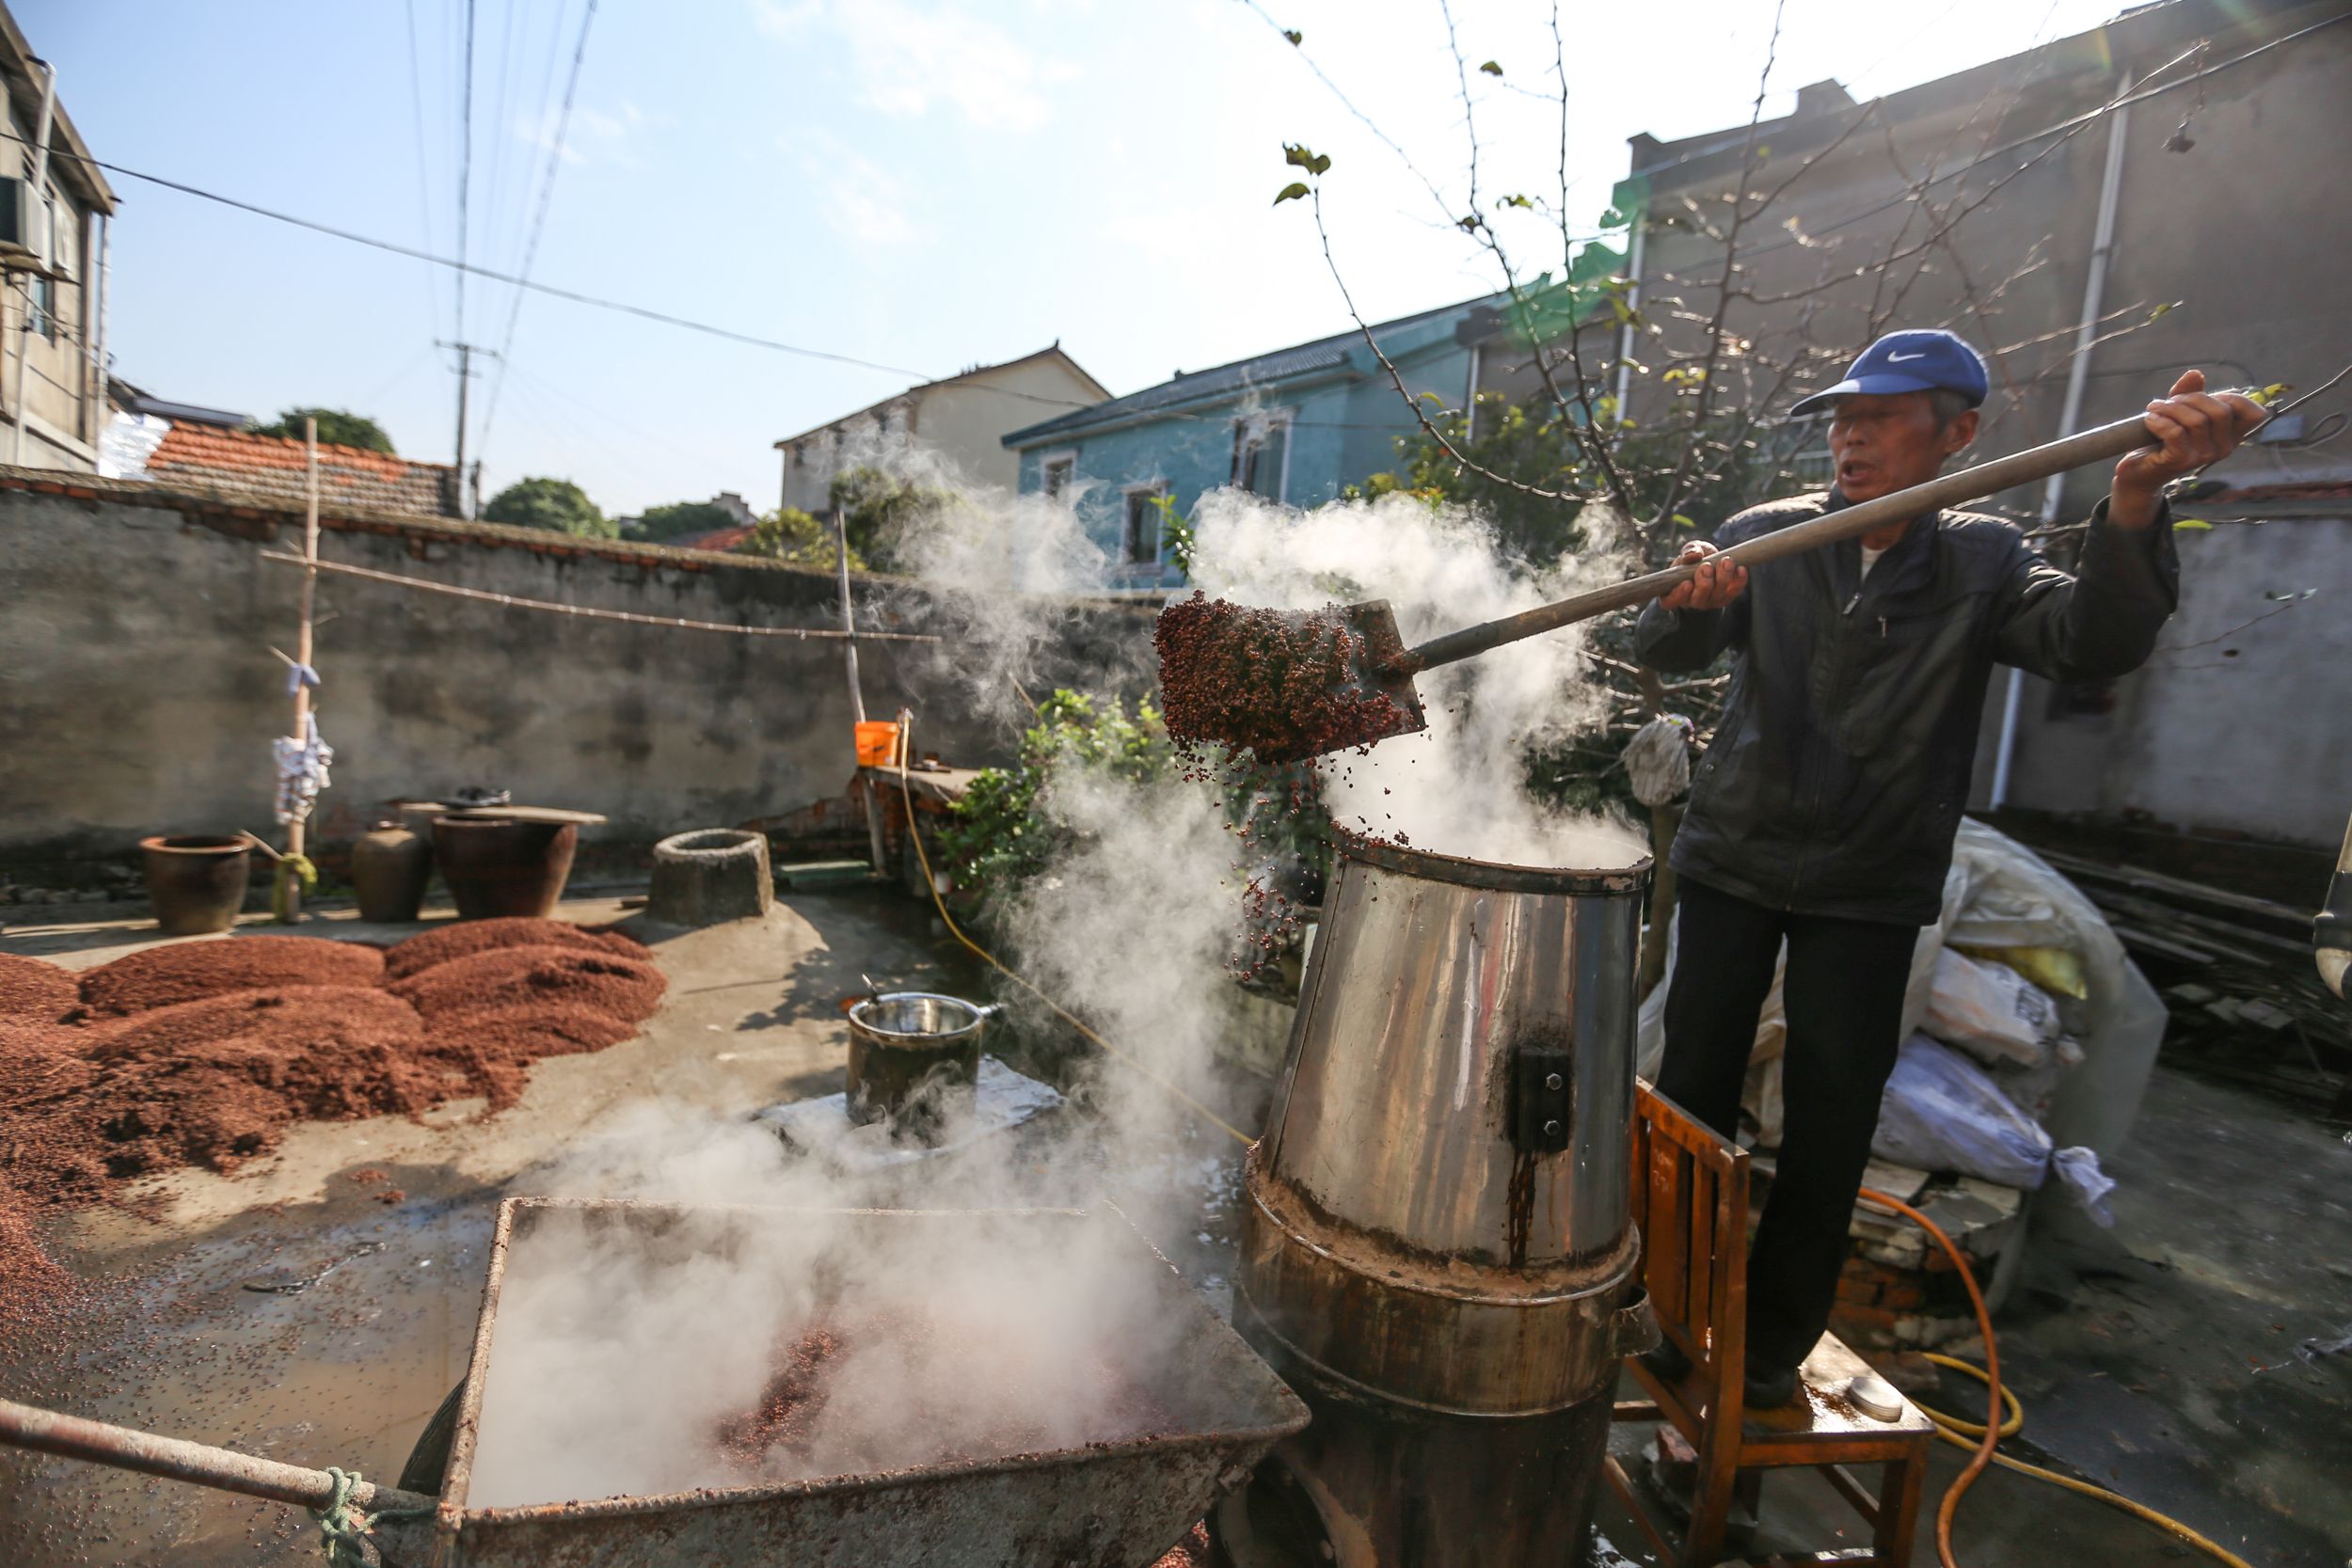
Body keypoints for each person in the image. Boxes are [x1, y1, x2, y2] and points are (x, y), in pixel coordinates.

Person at [1632, 328, 2262, 1407]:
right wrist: (1678, 605)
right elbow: (1672, 651)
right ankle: (1662, 1305)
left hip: (1870, 882)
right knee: (1689, 1097)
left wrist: (2133, 504)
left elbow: (2089, 643)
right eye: (1841, 416)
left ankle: (1770, 1345)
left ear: (1960, 433)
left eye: (1881, 414)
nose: (1850, 434)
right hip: (1736, 854)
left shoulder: (1985, 557)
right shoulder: (1768, 539)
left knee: (1832, 1115)